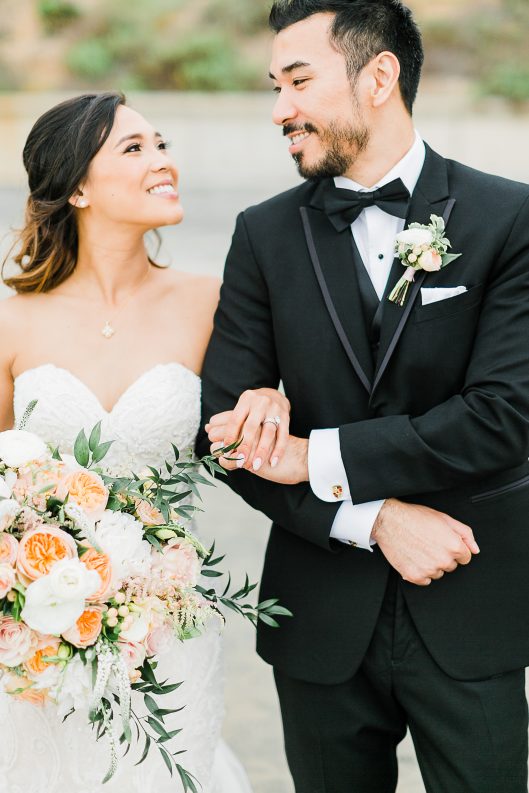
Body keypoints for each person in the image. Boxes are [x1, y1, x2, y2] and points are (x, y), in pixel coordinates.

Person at [199, 2, 529, 791]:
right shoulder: (262, 234)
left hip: (471, 601)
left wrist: (319, 455)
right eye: (273, 86)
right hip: (318, 618)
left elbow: (505, 413)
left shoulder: (508, 216)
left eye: (300, 81)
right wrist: (371, 517)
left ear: (379, 76)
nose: (280, 108)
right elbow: (227, 436)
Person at [0, 92, 289, 793]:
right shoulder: (15, 320)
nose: (164, 162)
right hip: (36, 640)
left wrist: (272, 397)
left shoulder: (210, 302)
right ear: (75, 187)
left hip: (166, 627)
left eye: (162, 144)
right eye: (134, 149)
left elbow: (261, 420)